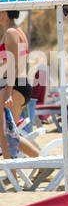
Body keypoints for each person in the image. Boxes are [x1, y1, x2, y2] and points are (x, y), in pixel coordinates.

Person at [0, 11, 38, 158]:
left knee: (5, 136)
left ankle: (12, 177)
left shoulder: (11, 32)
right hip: (16, 85)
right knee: (8, 134)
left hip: (13, 86)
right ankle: (41, 163)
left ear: (4, 12)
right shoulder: (15, 31)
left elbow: (13, 63)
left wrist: (8, 92)